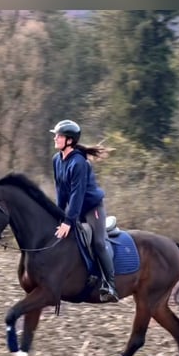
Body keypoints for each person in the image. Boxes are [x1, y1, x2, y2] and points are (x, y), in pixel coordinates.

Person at [50, 119, 118, 302]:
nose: (55, 138)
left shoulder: (79, 163)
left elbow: (77, 196)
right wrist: (58, 216)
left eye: (59, 136)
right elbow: (61, 193)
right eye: (55, 135)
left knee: (97, 242)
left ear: (70, 141)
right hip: (75, 209)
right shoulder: (57, 160)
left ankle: (110, 285)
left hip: (91, 209)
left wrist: (68, 221)